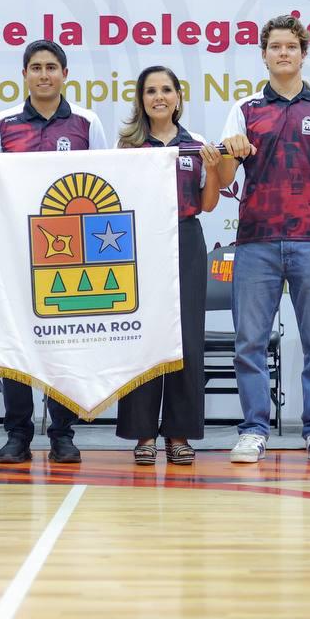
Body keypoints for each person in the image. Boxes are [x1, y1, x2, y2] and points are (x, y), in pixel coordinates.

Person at [218, 14, 310, 465]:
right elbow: (223, 178)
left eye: (290, 47)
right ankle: (254, 430)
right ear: (263, 55)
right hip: (255, 241)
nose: (283, 53)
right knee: (249, 343)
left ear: (303, 54)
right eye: (275, 46)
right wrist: (228, 152)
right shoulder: (244, 109)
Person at [0, 40, 107, 465]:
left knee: (65, 341)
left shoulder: (87, 122)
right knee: (16, 341)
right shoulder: (3, 122)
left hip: (71, 252)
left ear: (65, 74)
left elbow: (103, 182)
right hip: (16, 249)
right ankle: (18, 434)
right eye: (36, 67)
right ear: (24, 74)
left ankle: (62, 433)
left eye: (51, 67)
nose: (44, 74)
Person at [114, 66, 221, 465]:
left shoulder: (196, 144)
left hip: (186, 239)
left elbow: (208, 204)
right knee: (143, 334)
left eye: (166, 90)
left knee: (186, 338)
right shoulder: (126, 146)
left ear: (178, 96)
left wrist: (213, 168)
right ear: (141, 100)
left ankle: (178, 433)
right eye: (150, 91)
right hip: (140, 242)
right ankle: (143, 434)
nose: (158, 97)